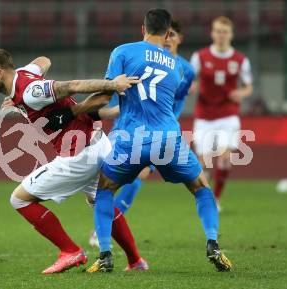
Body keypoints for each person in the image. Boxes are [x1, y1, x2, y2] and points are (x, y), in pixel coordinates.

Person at [0, 48, 146, 274]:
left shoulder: (31, 91)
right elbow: (44, 60)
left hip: (78, 156)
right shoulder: (25, 74)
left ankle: (70, 251)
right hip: (97, 142)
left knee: (19, 199)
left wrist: (112, 84)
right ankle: (136, 261)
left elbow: (72, 85)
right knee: (100, 200)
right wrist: (16, 92)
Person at [88, 8, 232, 273]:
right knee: (201, 186)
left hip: (130, 137)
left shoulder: (122, 52)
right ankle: (213, 242)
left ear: (143, 29)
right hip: (168, 138)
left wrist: (82, 110)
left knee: (104, 190)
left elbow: (104, 94)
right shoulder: (178, 67)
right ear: (168, 34)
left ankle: (105, 253)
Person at [88, 19, 196, 249]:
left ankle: (107, 227)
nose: (169, 40)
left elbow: (179, 99)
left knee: (136, 175)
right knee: (128, 176)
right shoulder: (141, 56)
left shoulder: (185, 70)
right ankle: (107, 227)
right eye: (169, 35)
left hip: (163, 131)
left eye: (174, 36)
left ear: (177, 38)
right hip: (130, 127)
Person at [190, 16, 253, 210]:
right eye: (217, 31)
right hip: (204, 115)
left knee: (225, 157)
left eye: (225, 31)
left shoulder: (241, 60)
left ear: (231, 34)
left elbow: (249, 86)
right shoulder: (199, 56)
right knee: (204, 163)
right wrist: (191, 86)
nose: (221, 35)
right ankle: (207, 192)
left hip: (228, 114)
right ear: (212, 33)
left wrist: (241, 93)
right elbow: (191, 80)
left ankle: (215, 197)